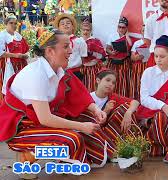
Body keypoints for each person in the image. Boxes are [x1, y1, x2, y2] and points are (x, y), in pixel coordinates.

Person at [0, 30, 110, 168]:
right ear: (50, 51)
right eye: (65, 47)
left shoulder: (59, 70)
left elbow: (78, 95)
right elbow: (45, 119)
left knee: (88, 120)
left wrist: (95, 110)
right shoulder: (36, 74)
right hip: (22, 126)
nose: (71, 51)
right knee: (72, 139)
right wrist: (81, 127)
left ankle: (75, 158)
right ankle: (28, 156)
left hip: (39, 118)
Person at [91, 68, 140, 156]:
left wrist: (128, 113)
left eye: (113, 83)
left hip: (108, 133)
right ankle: (111, 150)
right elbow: (88, 121)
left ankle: (129, 147)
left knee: (125, 108)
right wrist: (105, 111)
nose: (110, 84)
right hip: (93, 132)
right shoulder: (88, 98)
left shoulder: (112, 97)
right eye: (108, 80)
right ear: (98, 80)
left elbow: (135, 102)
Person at [0, 14, 29, 96]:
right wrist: (16, 56)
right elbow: (1, 54)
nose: (13, 25)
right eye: (11, 23)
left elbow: (26, 49)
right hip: (7, 66)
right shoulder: (2, 35)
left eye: (15, 23)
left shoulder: (18, 35)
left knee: (19, 88)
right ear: (6, 24)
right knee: (8, 88)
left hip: (20, 66)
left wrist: (25, 55)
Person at [105, 17, 134, 97]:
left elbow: (130, 46)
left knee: (123, 82)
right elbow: (107, 49)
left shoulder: (128, 38)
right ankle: (110, 97)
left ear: (126, 28)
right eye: (119, 27)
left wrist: (126, 35)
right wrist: (111, 52)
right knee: (112, 80)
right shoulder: (112, 36)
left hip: (124, 63)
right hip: (113, 62)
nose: (121, 29)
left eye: (123, 27)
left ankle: (122, 98)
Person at [54, 13, 87, 80]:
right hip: (61, 73)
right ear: (59, 28)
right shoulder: (56, 42)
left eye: (68, 23)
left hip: (76, 72)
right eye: (62, 24)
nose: (65, 25)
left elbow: (83, 57)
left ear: (73, 26)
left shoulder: (79, 41)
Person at [81, 18, 107, 92]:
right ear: (81, 30)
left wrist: (92, 53)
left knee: (93, 88)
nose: (85, 31)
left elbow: (103, 57)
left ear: (91, 31)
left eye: (87, 30)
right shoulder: (78, 41)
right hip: (81, 69)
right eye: (84, 30)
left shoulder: (95, 41)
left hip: (93, 69)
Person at [130, 24, 148, 100]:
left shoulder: (152, 42)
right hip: (138, 67)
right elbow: (132, 57)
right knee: (137, 84)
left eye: (146, 30)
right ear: (141, 32)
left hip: (148, 66)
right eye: (143, 30)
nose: (145, 32)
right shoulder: (137, 43)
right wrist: (139, 56)